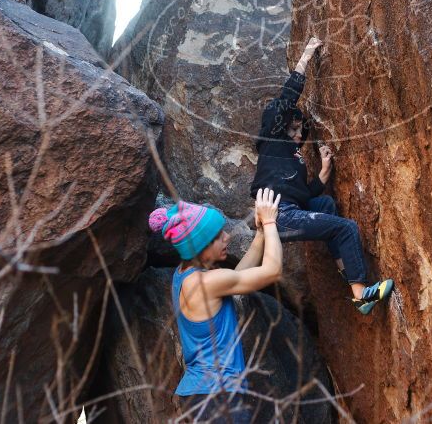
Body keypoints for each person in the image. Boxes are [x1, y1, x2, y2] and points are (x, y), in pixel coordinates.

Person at [249, 37, 393, 314]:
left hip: (289, 211)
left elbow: (305, 197)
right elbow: (287, 98)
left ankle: (346, 269)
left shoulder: (293, 159)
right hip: (278, 217)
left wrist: (323, 175)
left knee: (325, 205)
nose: (297, 135)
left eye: (300, 131)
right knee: (346, 227)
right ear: (278, 128)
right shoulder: (272, 142)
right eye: (292, 129)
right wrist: (306, 55)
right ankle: (362, 296)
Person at [147, 188, 283, 423]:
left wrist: (261, 234)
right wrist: (270, 222)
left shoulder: (185, 276)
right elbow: (272, 271)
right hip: (219, 397)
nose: (227, 237)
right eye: (217, 236)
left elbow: (237, 277)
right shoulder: (205, 282)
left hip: (201, 395)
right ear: (200, 247)